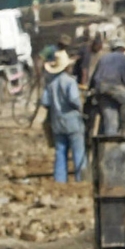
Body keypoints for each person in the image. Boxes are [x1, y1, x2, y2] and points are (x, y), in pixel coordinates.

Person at [41, 50, 87, 183]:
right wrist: (80, 107)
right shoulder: (70, 81)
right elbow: (74, 100)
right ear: (67, 67)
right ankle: (81, 180)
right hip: (72, 121)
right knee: (78, 152)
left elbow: (45, 102)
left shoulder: (50, 83)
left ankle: (60, 180)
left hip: (57, 122)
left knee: (60, 152)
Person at [89, 38, 125, 135]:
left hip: (101, 89)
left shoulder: (103, 58)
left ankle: (110, 143)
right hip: (113, 86)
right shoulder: (124, 59)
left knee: (111, 121)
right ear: (123, 49)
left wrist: (91, 92)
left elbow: (93, 78)